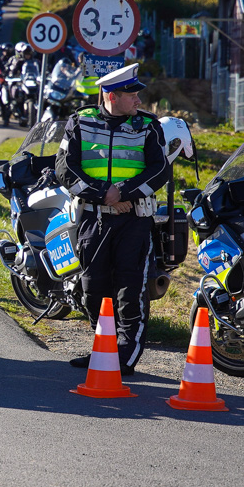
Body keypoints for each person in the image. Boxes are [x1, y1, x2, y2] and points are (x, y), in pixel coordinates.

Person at [54, 63, 170, 376]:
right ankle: (103, 350)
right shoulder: (80, 121)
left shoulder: (148, 126)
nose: (139, 101)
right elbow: (65, 168)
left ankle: (125, 359)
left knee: (130, 290)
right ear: (111, 95)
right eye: (132, 94)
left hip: (134, 220)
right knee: (93, 289)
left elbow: (160, 170)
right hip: (93, 219)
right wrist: (103, 194)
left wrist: (125, 194)